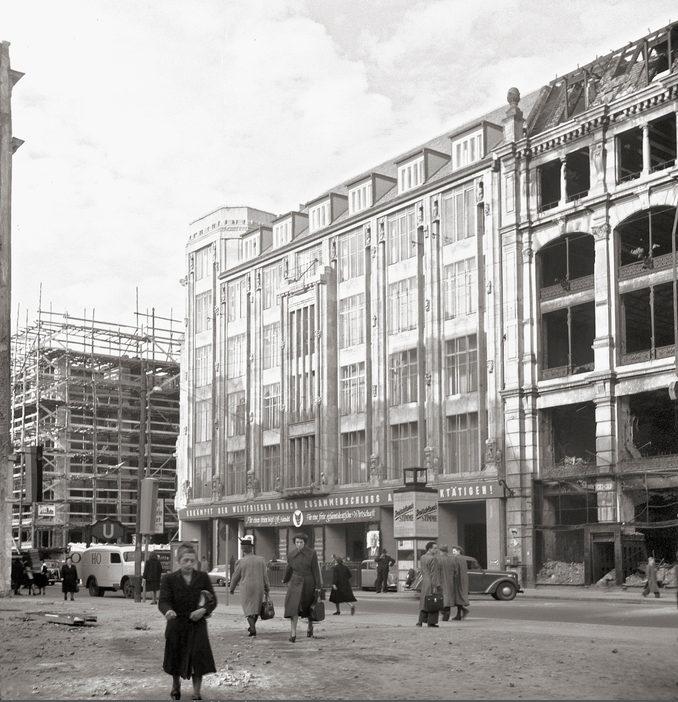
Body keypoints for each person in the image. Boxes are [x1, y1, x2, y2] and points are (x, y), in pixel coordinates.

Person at [158, 543, 217, 701]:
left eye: (192, 561)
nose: (189, 564)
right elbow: (163, 601)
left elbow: (212, 600)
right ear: (179, 561)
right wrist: (168, 611)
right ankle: (175, 685)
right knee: (176, 657)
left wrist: (203, 610)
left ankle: (196, 692)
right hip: (176, 623)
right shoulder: (169, 579)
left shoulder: (203, 577)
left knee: (198, 658)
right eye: (186, 560)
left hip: (197, 624)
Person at [283, 533, 322, 642]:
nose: (299, 544)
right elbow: (289, 569)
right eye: (297, 542)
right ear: (294, 543)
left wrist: (318, 586)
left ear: (305, 543)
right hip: (295, 583)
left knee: (309, 606)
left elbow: (315, 570)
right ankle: (293, 634)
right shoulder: (291, 554)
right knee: (293, 607)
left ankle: (310, 626)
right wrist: (285, 579)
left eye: (301, 542)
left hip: (309, 583)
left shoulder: (312, 553)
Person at [229, 539, 270, 637]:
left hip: (246, 588)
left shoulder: (241, 562)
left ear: (243, 549)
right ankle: (252, 627)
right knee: (256, 609)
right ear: (252, 548)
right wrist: (267, 587)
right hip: (259, 588)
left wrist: (232, 588)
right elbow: (265, 576)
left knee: (248, 609)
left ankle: (252, 628)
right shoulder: (261, 560)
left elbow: (235, 577)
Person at [417, 541, 442, 628]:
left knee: (424, 602)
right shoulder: (433, 559)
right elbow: (434, 573)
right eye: (435, 548)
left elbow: (422, 570)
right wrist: (436, 585)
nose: (436, 550)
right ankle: (431, 622)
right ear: (429, 549)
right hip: (431, 582)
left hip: (425, 582)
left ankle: (420, 621)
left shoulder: (422, 557)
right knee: (433, 602)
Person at [450, 545, 470, 620]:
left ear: (459, 551)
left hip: (457, 580)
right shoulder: (463, 559)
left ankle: (460, 613)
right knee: (460, 597)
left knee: (457, 597)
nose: (453, 553)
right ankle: (460, 612)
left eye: (454, 551)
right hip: (463, 580)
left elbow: (455, 570)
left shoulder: (456, 558)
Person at [438, 545, 456, 622]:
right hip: (450, 582)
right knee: (448, 598)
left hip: (441, 581)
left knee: (441, 598)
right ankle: (447, 615)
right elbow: (455, 571)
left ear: (441, 551)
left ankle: (443, 612)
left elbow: (436, 571)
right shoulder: (452, 560)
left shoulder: (438, 559)